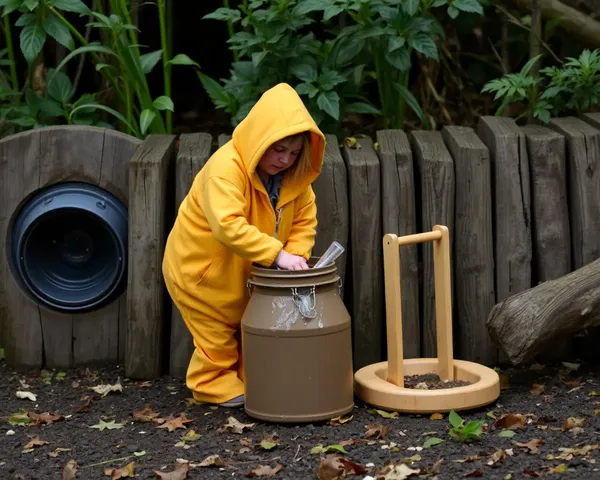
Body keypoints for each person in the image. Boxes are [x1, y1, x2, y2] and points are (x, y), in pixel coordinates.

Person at [162, 83, 326, 407]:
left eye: (294, 153)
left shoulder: (296, 180)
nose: (286, 159)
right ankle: (210, 383)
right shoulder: (225, 171)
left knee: (247, 330)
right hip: (201, 274)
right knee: (216, 336)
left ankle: (248, 378)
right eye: (279, 149)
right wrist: (277, 254)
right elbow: (228, 226)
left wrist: (295, 252)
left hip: (242, 275)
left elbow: (305, 221)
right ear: (259, 139)